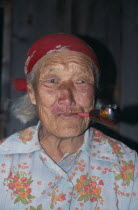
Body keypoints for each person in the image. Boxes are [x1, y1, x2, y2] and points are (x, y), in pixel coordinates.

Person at [0, 33, 137, 210]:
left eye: (81, 81)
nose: (67, 98)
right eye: (52, 80)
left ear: (94, 94)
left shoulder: (128, 166)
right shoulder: (3, 160)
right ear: (32, 93)